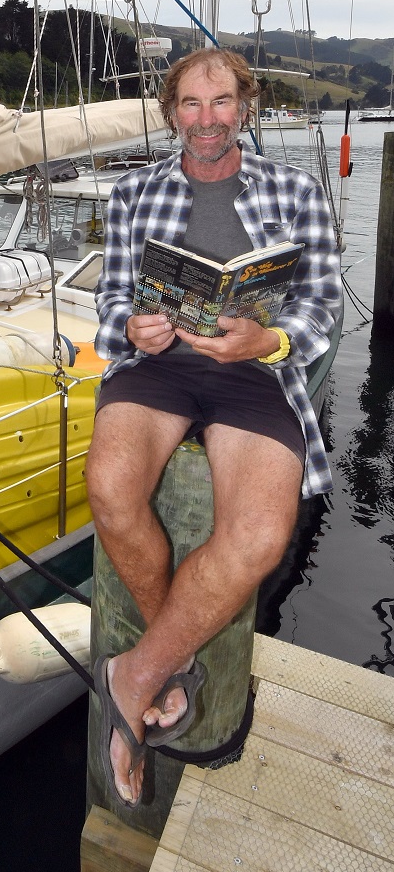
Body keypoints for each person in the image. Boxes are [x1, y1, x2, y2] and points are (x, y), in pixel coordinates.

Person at [85, 47, 343, 806]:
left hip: (253, 367)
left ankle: (136, 673)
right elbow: (108, 304)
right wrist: (134, 327)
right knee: (111, 487)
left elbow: (323, 301)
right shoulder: (134, 192)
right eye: (190, 105)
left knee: (260, 536)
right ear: (171, 112)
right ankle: (169, 661)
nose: (206, 120)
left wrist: (267, 339)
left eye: (221, 101)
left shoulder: (295, 189)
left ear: (245, 106)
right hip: (159, 366)